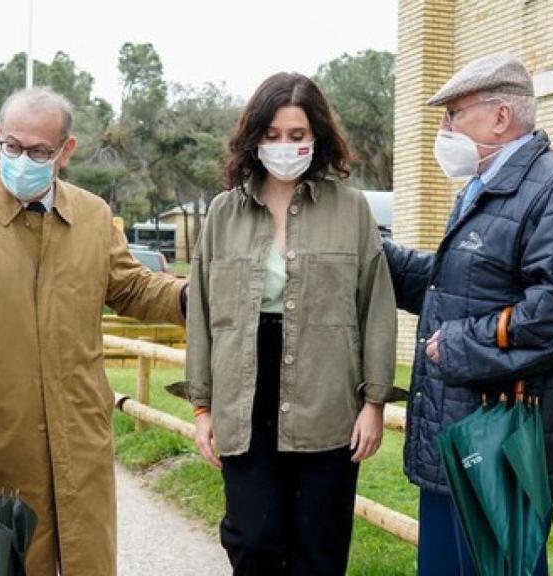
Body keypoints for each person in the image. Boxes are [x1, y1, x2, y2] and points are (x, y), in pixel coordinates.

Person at [0, 86, 187, 575]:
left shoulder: (93, 216)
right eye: (12, 146)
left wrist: (190, 297)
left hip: (76, 431)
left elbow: (132, 288)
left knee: (83, 556)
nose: (22, 159)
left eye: (38, 151)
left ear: (66, 151)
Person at [383, 53, 553, 575]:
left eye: (453, 114)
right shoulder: (481, 192)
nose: (444, 128)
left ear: (500, 116)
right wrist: (375, 254)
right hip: (457, 434)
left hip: (503, 444)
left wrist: (463, 345)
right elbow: (454, 290)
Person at [185, 72, 397, 576]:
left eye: (297, 136)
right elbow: (203, 314)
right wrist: (201, 408)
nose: (284, 146)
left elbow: (376, 306)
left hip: (327, 399)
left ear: (316, 137)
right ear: (254, 137)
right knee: (254, 541)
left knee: (318, 552)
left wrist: (373, 404)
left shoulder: (352, 210)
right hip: (244, 396)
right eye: (273, 135)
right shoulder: (223, 213)